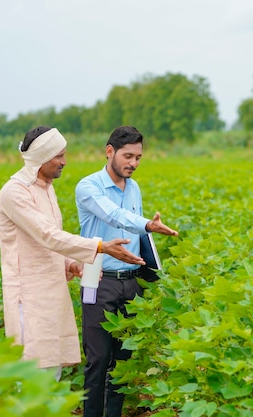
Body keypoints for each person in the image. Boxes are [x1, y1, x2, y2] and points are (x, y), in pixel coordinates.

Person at [0, 126, 145, 379]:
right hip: (29, 294)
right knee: (32, 371)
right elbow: (48, 235)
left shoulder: (45, 188)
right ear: (41, 159)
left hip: (51, 289)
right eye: (58, 156)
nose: (64, 162)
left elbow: (45, 242)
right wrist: (99, 247)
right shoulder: (15, 192)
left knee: (51, 368)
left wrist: (71, 264)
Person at [75, 125, 179, 417]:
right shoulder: (89, 187)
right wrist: (147, 224)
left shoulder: (134, 188)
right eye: (128, 156)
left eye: (138, 157)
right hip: (99, 280)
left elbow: (135, 230)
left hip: (130, 282)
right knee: (98, 359)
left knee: (123, 360)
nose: (133, 163)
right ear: (110, 152)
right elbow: (113, 214)